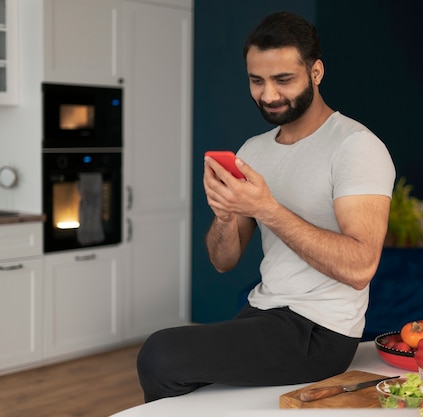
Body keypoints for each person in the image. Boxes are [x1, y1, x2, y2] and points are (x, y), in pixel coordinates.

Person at [136, 11, 396, 402]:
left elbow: (360, 268)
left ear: (316, 72)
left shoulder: (356, 147)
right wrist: (225, 215)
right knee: (186, 379)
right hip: (264, 310)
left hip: (322, 330)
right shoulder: (253, 150)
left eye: (283, 79)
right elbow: (223, 260)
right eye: (257, 81)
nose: (269, 95)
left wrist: (267, 208)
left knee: (160, 354)